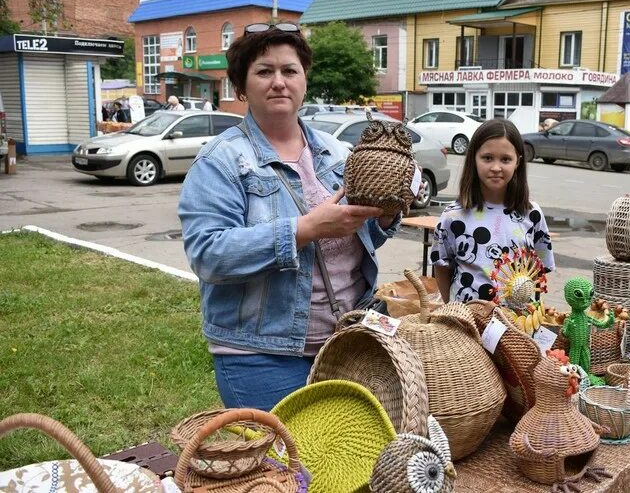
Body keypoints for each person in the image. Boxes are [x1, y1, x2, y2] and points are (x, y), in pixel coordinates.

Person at [177, 22, 400, 411]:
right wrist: (304, 229)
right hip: (261, 354)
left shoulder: (335, 152)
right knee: (293, 469)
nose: (279, 82)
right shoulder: (222, 160)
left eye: (289, 70)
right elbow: (208, 254)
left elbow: (357, 238)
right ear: (242, 87)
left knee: (349, 463)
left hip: (347, 341)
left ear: (304, 80)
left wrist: (383, 215)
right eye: (264, 71)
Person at [430, 118, 555, 303]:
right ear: (474, 158)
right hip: (465, 323)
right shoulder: (453, 216)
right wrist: (450, 309)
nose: (496, 167)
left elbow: (540, 267)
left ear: (518, 162)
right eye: (487, 158)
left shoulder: (532, 214)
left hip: (516, 324)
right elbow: (441, 265)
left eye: (505, 159)